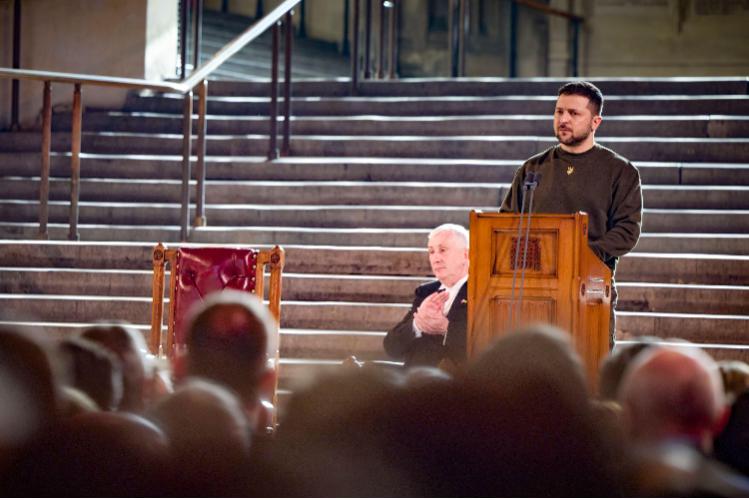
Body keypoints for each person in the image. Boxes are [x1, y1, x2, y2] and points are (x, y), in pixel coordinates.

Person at [500, 81, 643, 345]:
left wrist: (580, 254)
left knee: (588, 369)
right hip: (534, 288)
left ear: (595, 122)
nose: (563, 119)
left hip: (588, 285)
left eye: (574, 113)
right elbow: (506, 223)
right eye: (559, 112)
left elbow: (627, 230)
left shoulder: (620, 171)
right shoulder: (533, 168)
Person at [383, 223, 469, 368]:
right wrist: (417, 325)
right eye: (431, 252)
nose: (436, 259)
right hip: (410, 380)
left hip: (453, 384)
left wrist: (446, 328)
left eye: (443, 250)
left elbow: (484, 348)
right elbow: (391, 348)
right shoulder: (426, 291)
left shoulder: (480, 293)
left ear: (465, 255)